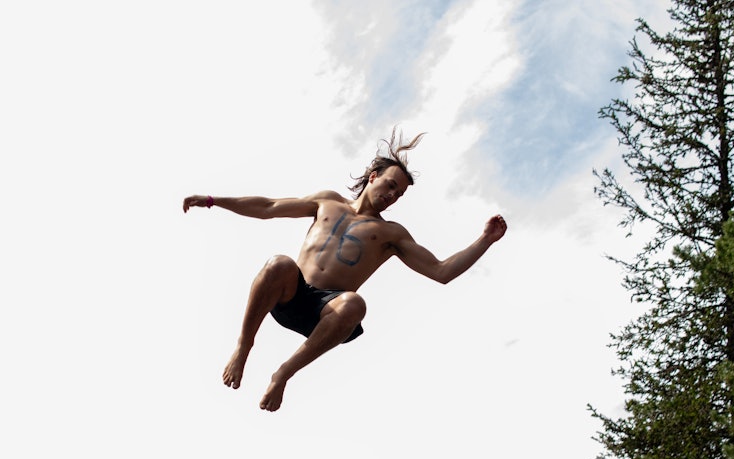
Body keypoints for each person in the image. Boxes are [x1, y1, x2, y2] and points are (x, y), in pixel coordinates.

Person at [183, 130, 507, 411]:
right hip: (290, 296)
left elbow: (441, 271)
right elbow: (268, 207)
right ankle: (243, 347)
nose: (392, 196)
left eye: (399, 194)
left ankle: (283, 374)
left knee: (355, 303)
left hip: (327, 312)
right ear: (373, 177)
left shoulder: (390, 234)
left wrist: (486, 240)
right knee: (278, 263)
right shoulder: (328, 202)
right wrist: (213, 200)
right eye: (390, 185)